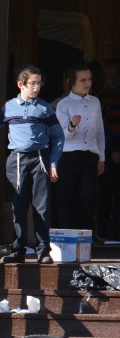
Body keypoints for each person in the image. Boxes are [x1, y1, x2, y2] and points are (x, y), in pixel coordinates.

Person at [0, 64, 64, 264]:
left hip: (40, 159)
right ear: (21, 84)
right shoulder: (9, 107)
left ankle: (43, 251)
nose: (37, 88)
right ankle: (18, 250)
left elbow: (58, 136)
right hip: (17, 159)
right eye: (33, 83)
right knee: (18, 206)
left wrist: (53, 162)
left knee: (42, 207)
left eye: (39, 84)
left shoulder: (45, 108)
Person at [54, 62, 105, 231]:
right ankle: (67, 236)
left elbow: (99, 131)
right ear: (71, 82)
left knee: (88, 196)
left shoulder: (95, 102)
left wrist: (102, 157)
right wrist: (71, 126)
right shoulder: (64, 104)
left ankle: (84, 235)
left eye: (89, 79)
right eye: (82, 80)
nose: (87, 83)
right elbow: (60, 136)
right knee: (66, 197)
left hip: (89, 155)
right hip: (68, 156)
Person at [96, 59, 120, 241]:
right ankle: (102, 231)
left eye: (116, 76)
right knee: (105, 193)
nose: (113, 80)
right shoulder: (100, 99)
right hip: (107, 154)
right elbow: (101, 127)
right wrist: (112, 150)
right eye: (109, 77)